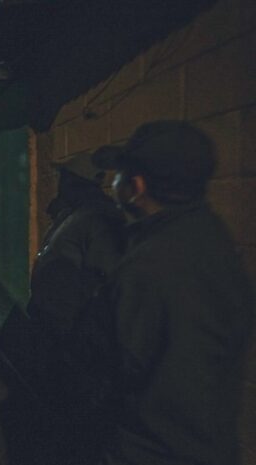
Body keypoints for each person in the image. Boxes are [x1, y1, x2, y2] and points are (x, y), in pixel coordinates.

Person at [91, 121, 254, 465]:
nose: (113, 185)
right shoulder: (214, 239)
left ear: (136, 187)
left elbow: (114, 368)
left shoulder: (147, 265)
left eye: (119, 176)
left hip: (149, 450)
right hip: (213, 448)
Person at [0, 149, 126, 465]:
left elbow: (106, 282)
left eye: (64, 177)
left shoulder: (97, 219)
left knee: (73, 420)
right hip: (56, 333)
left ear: (77, 182)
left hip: (73, 338)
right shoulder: (73, 214)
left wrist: (82, 336)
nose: (59, 183)